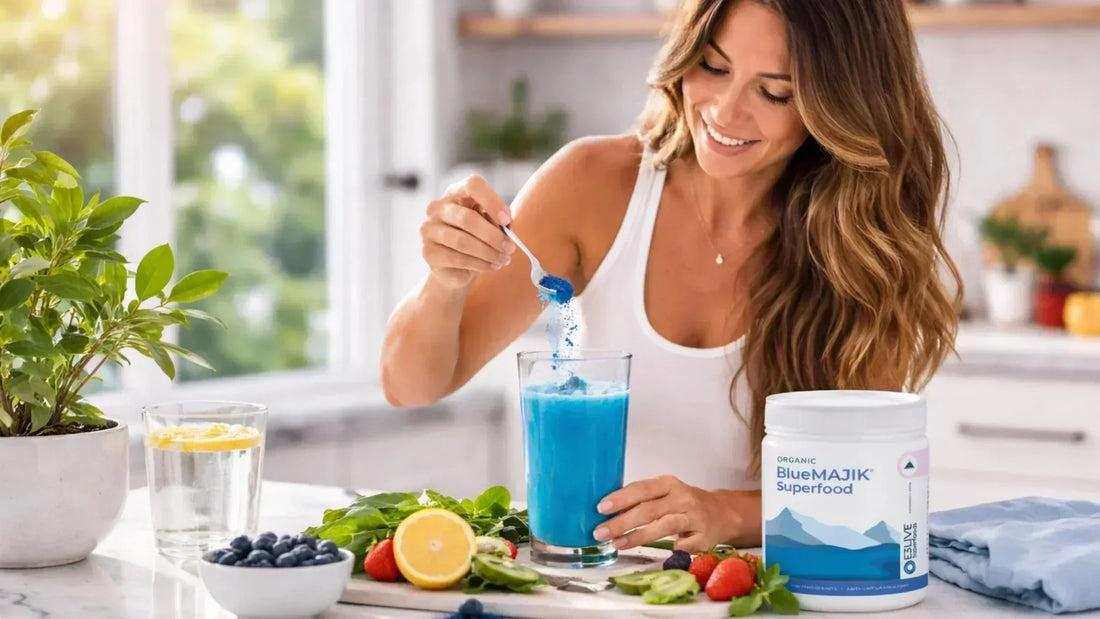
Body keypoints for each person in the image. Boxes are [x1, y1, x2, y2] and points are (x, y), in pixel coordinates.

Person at [380, 0, 961, 553]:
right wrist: (446, 281)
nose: (726, 112)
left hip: (754, 590)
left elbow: (871, 485)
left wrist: (723, 513)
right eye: (713, 66)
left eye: (774, 92)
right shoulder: (594, 185)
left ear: (840, 107)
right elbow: (410, 386)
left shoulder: (858, 248)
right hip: (594, 584)